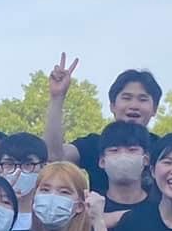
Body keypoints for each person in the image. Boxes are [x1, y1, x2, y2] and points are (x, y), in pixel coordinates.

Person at [42, 55, 162, 193]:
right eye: (127, 98)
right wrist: (57, 97)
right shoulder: (94, 144)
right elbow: (54, 156)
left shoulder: (162, 149)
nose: (134, 105)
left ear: (154, 109)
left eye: (142, 99)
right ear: (112, 106)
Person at [89, 121, 154, 224]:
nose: (123, 156)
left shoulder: (160, 206)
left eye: (132, 150)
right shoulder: (91, 207)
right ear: (102, 161)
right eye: (114, 150)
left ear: (146, 159)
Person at [0, 133, 49, 231]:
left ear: (43, 168)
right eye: (9, 164)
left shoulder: (50, 215)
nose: (18, 171)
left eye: (27, 164)